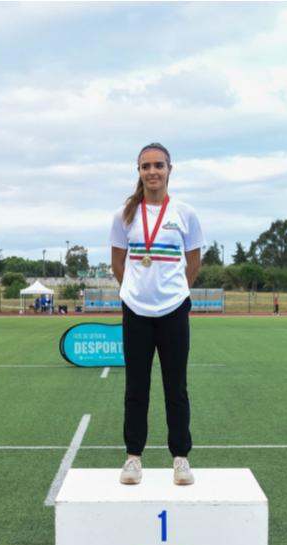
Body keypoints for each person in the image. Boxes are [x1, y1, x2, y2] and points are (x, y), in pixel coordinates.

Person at [110, 142, 204, 486]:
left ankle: (180, 458)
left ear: (169, 170)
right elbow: (117, 262)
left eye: (158, 165)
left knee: (175, 386)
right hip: (136, 310)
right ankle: (133, 458)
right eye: (146, 166)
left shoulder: (185, 213)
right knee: (136, 387)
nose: (152, 172)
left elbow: (193, 262)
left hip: (174, 309)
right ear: (138, 171)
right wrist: (134, 291)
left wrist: (176, 291)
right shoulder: (125, 214)